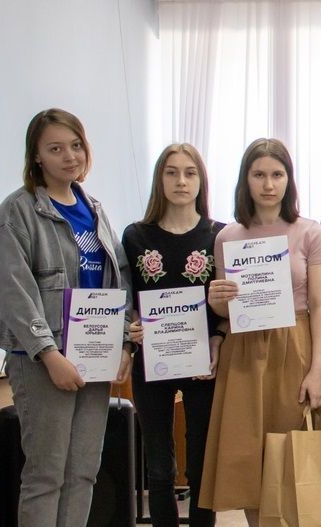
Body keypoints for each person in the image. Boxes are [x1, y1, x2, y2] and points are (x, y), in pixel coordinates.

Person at [0, 108, 132, 526]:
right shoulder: (15, 213)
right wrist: (50, 355)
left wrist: (124, 343)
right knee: (46, 475)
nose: (69, 156)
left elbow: (119, 279)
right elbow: (14, 294)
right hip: (42, 361)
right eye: (55, 149)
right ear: (36, 156)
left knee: (83, 472)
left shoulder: (95, 210)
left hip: (94, 358)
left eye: (76, 146)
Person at [198, 138, 321, 526]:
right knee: (250, 458)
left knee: (293, 454)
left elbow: (320, 306)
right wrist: (216, 300)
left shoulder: (310, 233)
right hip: (244, 353)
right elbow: (227, 310)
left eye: (277, 174)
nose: (268, 184)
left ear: (288, 180)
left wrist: (317, 370)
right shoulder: (227, 237)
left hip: (295, 346)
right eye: (259, 174)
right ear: (246, 180)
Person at [121, 143, 222, 527]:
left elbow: (228, 303)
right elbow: (127, 297)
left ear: (201, 180)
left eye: (189, 173)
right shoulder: (136, 236)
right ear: (159, 180)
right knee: (160, 468)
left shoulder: (218, 235)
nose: (181, 181)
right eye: (172, 172)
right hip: (152, 361)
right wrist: (130, 327)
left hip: (204, 364)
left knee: (201, 466)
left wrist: (219, 338)